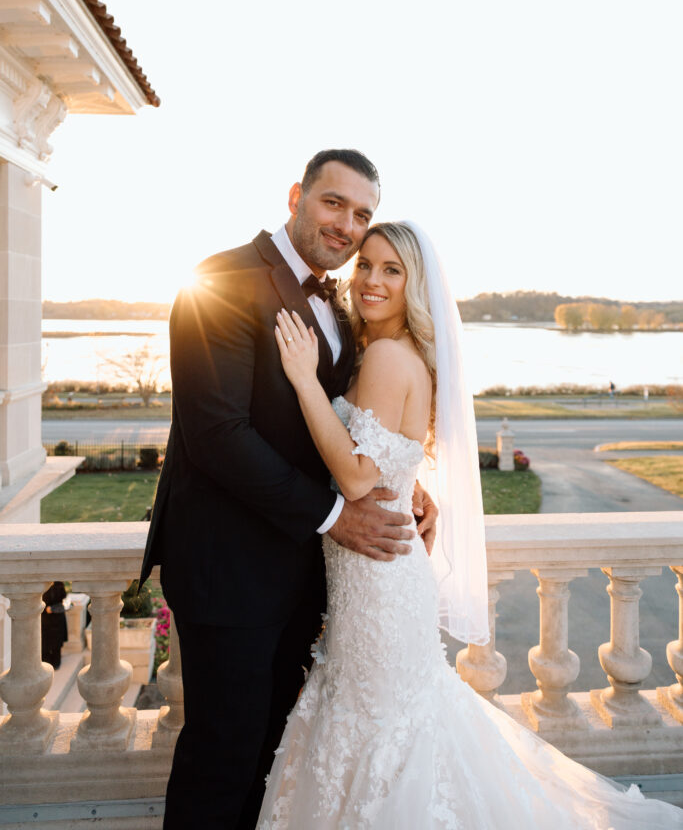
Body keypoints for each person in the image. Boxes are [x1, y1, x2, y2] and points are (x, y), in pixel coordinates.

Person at [257, 221, 683, 829]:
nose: (372, 281)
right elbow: (388, 457)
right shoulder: (383, 352)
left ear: (415, 285)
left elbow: (354, 478)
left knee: (383, 730)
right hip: (375, 571)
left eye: (392, 270)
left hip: (378, 581)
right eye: (366, 266)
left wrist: (303, 382)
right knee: (382, 724)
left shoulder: (385, 356)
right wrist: (411, 488)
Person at [138, 150, 438, 830]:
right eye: (334, 203)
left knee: (275, 755)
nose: (347, 225)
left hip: (301, 576)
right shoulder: (218, 281)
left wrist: (404, 486)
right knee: (223, 757)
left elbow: (355, 427)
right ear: (297, 195)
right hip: (230, 571)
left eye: (361, 215)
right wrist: (336, 514)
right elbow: (218, 434)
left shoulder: (336, 301)